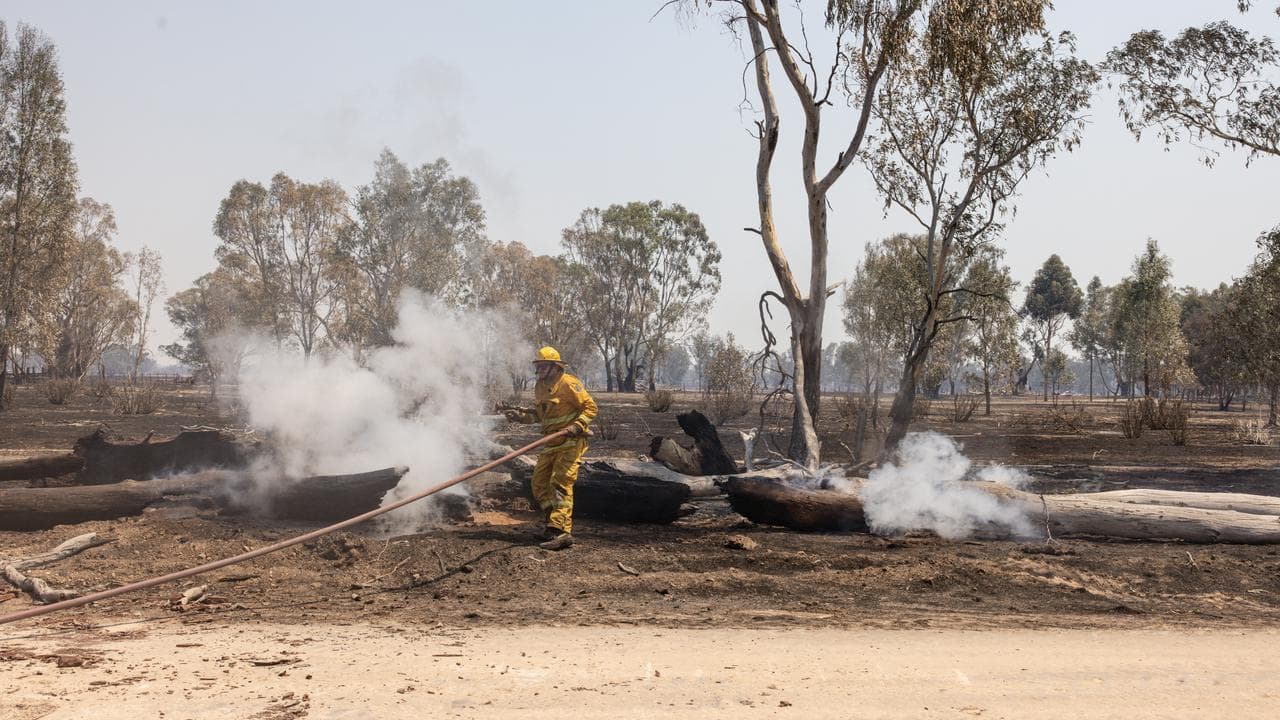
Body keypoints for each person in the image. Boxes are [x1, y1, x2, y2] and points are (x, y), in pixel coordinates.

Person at [504, 346, 597, 550]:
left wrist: (577, 426)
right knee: (538, 483)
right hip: (551, 441)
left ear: (556, 367)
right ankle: (551, 523)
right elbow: (541, 416)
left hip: (571, 441)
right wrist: (520, 417)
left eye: (544, 366)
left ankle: (561, 531)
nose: (539, 370)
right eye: (538, 366)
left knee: (560, 482)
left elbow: (591, 407)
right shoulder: (540, 386)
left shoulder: (569, 383)